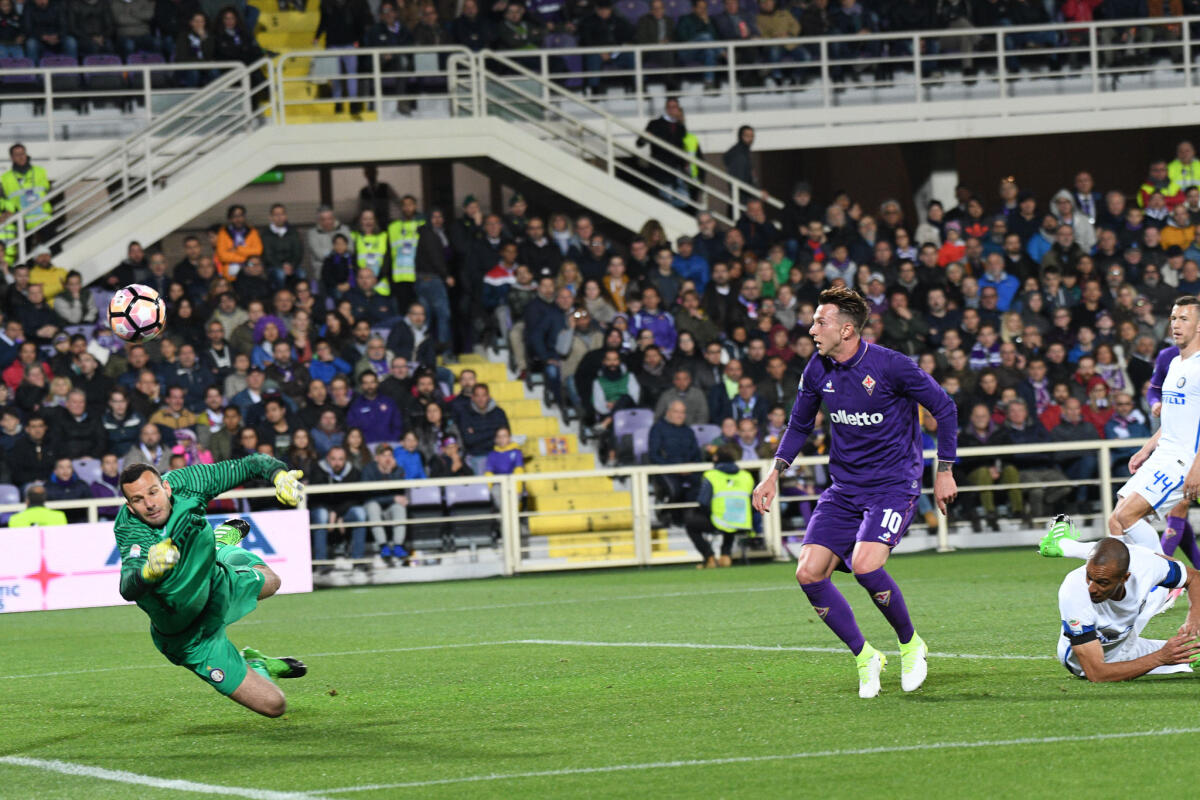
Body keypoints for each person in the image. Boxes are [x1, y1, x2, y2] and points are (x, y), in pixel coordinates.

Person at [752, 287, 959, 699]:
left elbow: (946, 408)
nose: (812, 330)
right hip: (845, 488)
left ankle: (910, 644)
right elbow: (798, 425)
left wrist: (945, 471)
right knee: (808, 572)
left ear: (847, 330)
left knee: (866, 565)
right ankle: (866, 656)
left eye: (820, 322)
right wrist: (773, 473)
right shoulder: (816, 369)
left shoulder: (892, 366)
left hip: (893, 485)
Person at [113, 458, 307, 717]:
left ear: (167, 488)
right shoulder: (131, 529)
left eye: (153, 492)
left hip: (215, 584)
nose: (149, 503)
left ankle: (219, 545)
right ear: (130, 506)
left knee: (272, 581)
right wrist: (148, 571)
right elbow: (128, 587)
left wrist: (278, 475)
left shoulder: (188, 484)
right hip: (189, 636)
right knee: (274, 705)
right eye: (138, 499)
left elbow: (250, 464)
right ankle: (257, 663)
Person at [1045, 297, 1200, 560]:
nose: (1175, 324)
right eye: (1173, 318)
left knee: (1128, 517)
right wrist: (1146, 449)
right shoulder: (1174, 364)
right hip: (1164, 454)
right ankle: (1152, 587)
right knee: (1117, 520)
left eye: (1184, 318)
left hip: (1184, 461)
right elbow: (1174, 421)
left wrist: (1197, 468)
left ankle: (1170, 581)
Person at [1051, 536, 1200, 682]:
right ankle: (1063, 543)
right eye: (1089, 577)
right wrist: (1160, 657)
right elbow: (1096, 673)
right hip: (1081, 660)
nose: (1091, 588)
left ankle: (1065, 544)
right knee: (1169, 654)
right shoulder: (1074, 591)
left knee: (1189, 651)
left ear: (1125, 577)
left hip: (1126, 643)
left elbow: (1194, 578)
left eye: (1102, 582)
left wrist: (1194, 617)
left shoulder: (1147, 567)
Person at [686, 443, 754, 569]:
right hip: (743, 522)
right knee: (732, 518)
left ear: (716, 458)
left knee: (691, 524)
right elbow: (753, 502)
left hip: (720, 521)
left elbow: (703, 502)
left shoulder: (711, 476)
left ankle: (709, 557)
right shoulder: (746, 476)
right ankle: (726, 555)